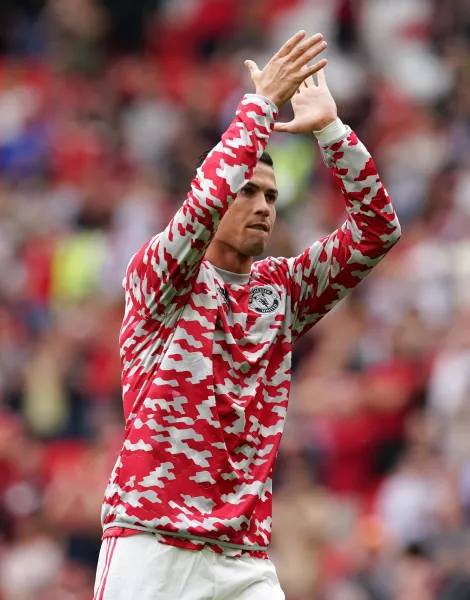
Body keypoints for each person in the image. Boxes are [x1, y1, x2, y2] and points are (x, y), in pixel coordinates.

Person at [94, 30, 401, 600]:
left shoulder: (281, 290)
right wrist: (260, 107)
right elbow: (205, 200)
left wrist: (333, 133)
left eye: (272, 197)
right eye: (249, 192)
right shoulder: (161, 276)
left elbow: (378, 230)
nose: (262, 206)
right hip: (151, 543)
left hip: (243, 558)